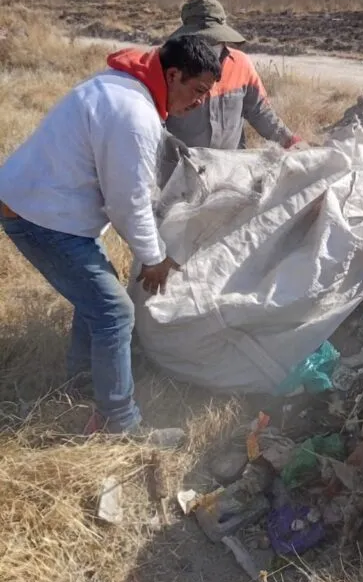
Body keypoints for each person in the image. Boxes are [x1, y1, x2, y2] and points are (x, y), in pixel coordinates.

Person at [0, 36, 223, 435]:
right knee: (115, 314)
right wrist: (154, 258)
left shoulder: (124, 88)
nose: (200, 102)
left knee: (99, 298)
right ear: (173, 75)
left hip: (42, 205)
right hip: (41, 215)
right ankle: (120, 423)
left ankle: (84, 382)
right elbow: (127, 203)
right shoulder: (132, 112)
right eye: (198, 90)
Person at [123, 0, 301, 154]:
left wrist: (289, 141)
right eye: (202, 40)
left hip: (232, 168)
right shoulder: (170, 67)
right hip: (182, 170)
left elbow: (259, 112)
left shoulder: (241, 64)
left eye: (213, 39)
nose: (208, 46)